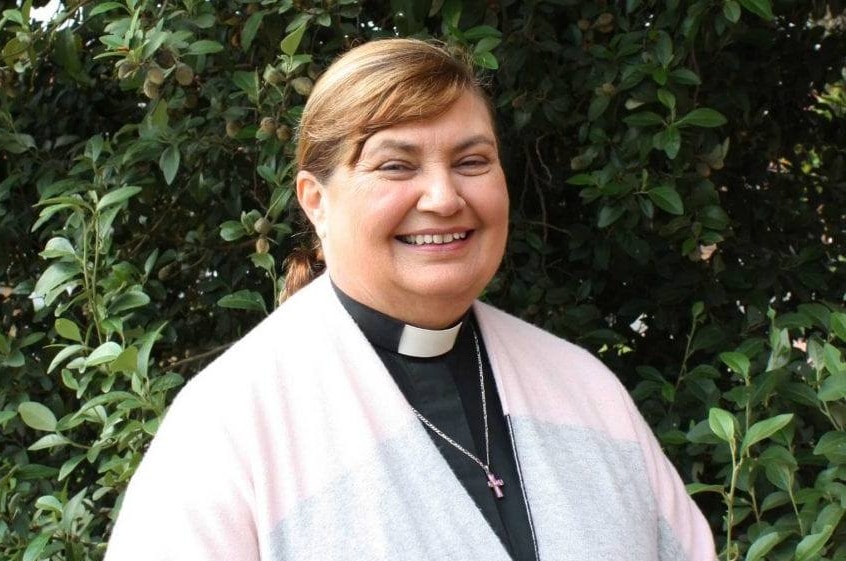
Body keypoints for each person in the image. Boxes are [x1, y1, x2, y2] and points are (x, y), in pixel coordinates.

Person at [104, 38, 716, 561]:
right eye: (396, 166)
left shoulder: (586, 389)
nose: (444, 198)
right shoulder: (229, 425)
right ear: (316, 200)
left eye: (472, 160)